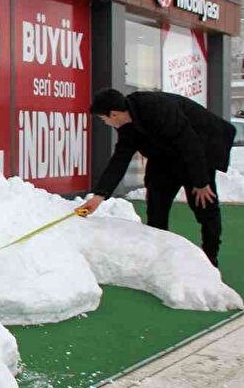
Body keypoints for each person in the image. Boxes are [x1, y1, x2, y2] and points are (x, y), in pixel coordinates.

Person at [76, 88, 235, 267]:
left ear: (113, 114)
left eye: (103, 119)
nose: (105, 123)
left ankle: (210, 258)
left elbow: (189, 141)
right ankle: (159, 257)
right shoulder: (127, 128)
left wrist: (201, 181)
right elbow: (119, 160)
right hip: (165, 157)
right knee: (156, 203)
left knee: (204, 205)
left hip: (199, 150)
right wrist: (100, 195)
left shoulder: (156, 107)